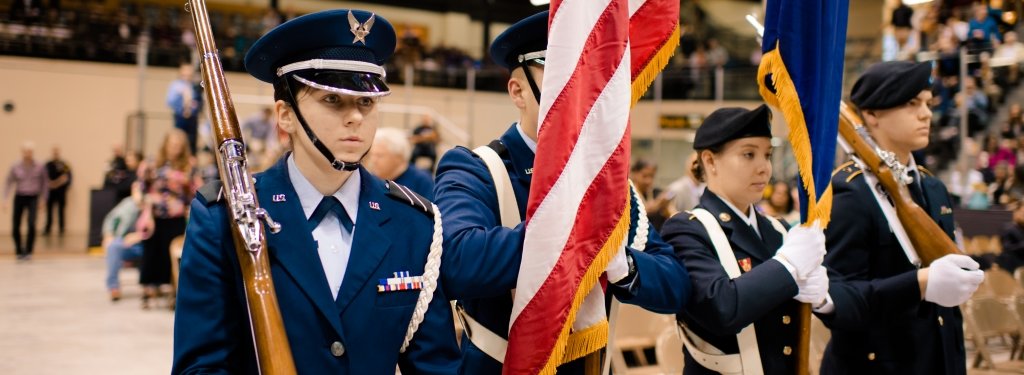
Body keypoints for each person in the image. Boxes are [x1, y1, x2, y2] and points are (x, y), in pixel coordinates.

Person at [172, 9, 460, 374]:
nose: (355, 116)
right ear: (285, 115)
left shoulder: (414, 224)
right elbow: (201, 366)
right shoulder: (221, 218)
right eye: (332, 100)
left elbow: (436, 367)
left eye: (366, 102)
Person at [433, 11, 690, 373]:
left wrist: (622, 263)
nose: (575, 85)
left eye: (584, 70)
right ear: (518, 91)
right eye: (558, 71)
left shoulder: (610, 184)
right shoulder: (479, 168)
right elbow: (460, 263)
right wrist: (578, 237)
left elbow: (676, 285)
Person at [819, 61, 985, 375]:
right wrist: (918, 284)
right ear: (871, 115)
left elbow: (946, 317)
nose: (926, 114)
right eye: (911, 104)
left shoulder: (932, 187)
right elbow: (839, 301)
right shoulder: (848, 193)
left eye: (927, 103)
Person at [660, 105, 828, 374]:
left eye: (767, 155)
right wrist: (788, 267)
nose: (764, 168)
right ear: (710, 161)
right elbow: (722, 309)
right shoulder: (687, 229)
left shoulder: (778, 230)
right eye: (748, 154)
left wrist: (823, 299)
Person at [136, 129, 194, 309]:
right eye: (172, 144)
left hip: (176, 215)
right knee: (151, 251)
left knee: (172, 254)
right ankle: (148, 289)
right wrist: (145, 201)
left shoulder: (188, 165)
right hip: (154, 215)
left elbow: (191, 191)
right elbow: (142, 187)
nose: (175, 148)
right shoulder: (153, 163)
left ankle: (173, 290)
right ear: (166, 144)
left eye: (179, 145)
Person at [4, 142, 48, 261]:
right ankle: (19, 250)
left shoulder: (40, 166)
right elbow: (8, 182)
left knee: (31, 224)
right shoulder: (15, 166)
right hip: (19, 196)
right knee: (15, 225)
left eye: (30, 151)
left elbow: (45, 184)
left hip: (33, 197)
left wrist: (44, 199)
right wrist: (5, 199)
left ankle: (29, 250)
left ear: (32, 152)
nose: (27, 154)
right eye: (25, 151)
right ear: (22, 152)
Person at [367, 127, 435, 199]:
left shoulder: (422, 181)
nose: (373, 160)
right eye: (372, 155)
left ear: (398, 157)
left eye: (379, 156)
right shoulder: (370, 180)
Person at [103, 194, 143, 302]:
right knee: (113, 246)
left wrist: (139, 236)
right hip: (126, 242)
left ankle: (149, 285)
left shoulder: (157, 203)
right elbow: (110, 218)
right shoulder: (128, 204)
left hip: (146, 243)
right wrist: (108, 234)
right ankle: (113, 287)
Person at [166, 60, 204, 154]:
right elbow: (170, 101)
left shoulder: (194, 86)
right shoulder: (176, 86)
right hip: (180, 117)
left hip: (192, 118)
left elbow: (199, 103)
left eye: (189, 72)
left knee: (191, 143)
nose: (187, 74)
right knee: (179, 140)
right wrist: (182, 108)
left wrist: (193, 109)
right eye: (185, 72)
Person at [43, 145, 71, 236]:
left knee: (61, 210)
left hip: (60, 192)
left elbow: (67, 177)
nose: (55, 153)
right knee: (49, 210)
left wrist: (58, 183)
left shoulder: (64, 164)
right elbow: (43, 177)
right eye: (54, 151)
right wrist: (50, 184)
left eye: (57, 151)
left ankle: (61, 228)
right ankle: (48, 228)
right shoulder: (47, 164)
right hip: (50, 192)